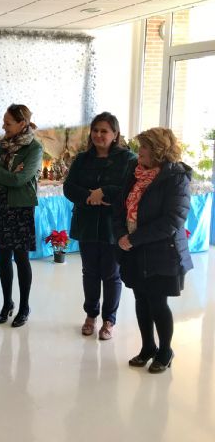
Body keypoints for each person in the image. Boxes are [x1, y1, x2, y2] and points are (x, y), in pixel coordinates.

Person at [113, 128, 193, 373]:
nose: (140, 152)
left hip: (162, 252)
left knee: (157, 302)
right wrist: (121, 236)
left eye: (144, 147)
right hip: (135, 249)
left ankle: (165, 351)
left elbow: (172, 220)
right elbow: (121, 207)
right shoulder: (135, 172)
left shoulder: (176, 177)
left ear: (158, 150)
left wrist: (133, 239)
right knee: (140, 300)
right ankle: (148, 347)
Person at [63, 112, 136, 340]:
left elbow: (128, 189)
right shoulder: (82, 159)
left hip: (112, 225)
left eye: (104, 131)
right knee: (90, 272)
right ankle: (91, 315)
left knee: (111, 274)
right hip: (86, 223)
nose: (98, 135)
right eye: (95, 130)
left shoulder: (128, 159)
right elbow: (68, 188)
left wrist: (103, 192)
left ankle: (109, 320)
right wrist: (88, 196)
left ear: (115, 134)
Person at [0, 104, 43, 327]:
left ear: (22, 124)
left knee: (21, 258)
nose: (3, 126)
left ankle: (24, 306)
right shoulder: (3, 144)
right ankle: (7, 303)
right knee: (3, 257)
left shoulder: (34, 149)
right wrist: (6, 174)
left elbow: (21, 180)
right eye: (4, 122)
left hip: (20, 207)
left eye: (8, 123)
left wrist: (2, 174)